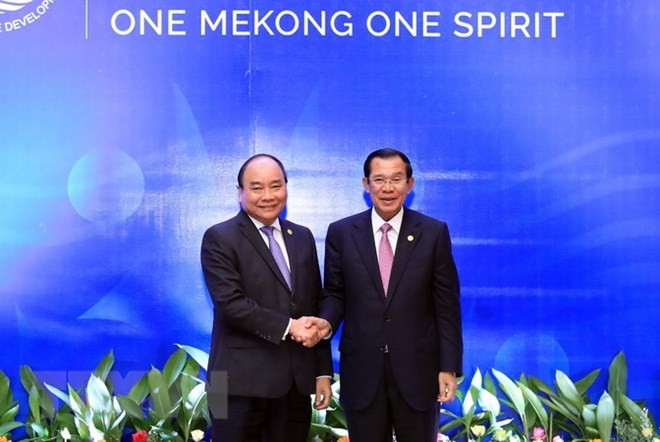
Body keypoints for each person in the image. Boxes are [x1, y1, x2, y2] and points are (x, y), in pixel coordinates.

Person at [317, 148, 463, 442]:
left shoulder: (433, 232)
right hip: (363, 371)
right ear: (365, 184)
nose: (387, 188)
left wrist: (449, 367)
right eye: (379, 179)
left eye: (396, 179)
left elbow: (446, 305)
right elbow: (334, 294)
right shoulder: (342, 232)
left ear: (410, 185)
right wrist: (325, 324)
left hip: (418, 371)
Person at [200, 153, 333, 442]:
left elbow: (312, 308)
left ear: (286, 187)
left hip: (294, 387)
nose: (268, 196)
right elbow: (231, 304)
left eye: (276, 186)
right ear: (240, 193)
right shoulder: (219, 237)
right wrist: (289, 326)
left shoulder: (302, 237)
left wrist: (323, 372)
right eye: (257, 187)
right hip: (232, 385)